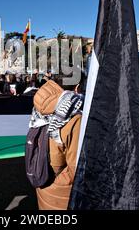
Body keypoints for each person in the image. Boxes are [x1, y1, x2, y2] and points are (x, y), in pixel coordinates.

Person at [29, 80, 83, 210]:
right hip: (62, 194)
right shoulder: (75, 117)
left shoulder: (40, 105)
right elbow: (77, 169)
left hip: (41, 178)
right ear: (77, 88)